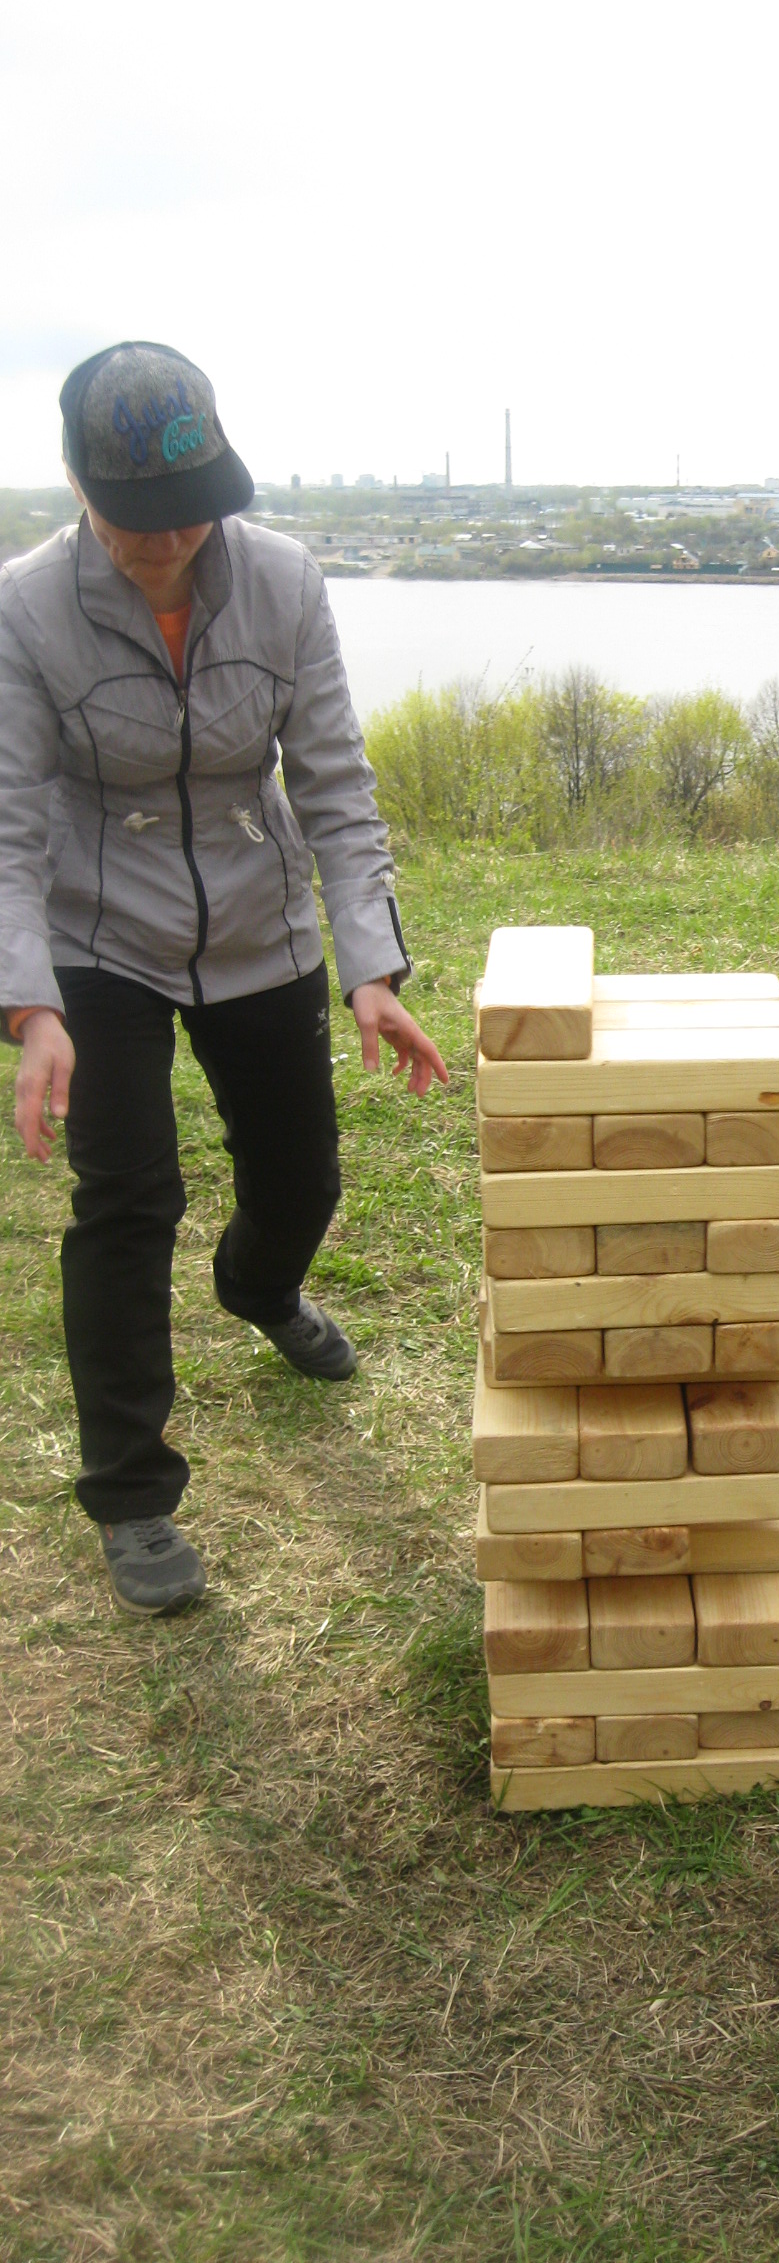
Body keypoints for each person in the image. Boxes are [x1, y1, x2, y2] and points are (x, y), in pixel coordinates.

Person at [1, 342, 448, 1620]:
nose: (167, 540)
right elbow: (9, 825)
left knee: (302, 1178)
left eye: (189, 510)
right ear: (77, 485)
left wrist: (370, 965)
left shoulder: (285, 582)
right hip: (100, 934)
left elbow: (337, 787)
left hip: (259, 920)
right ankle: (132, 1493)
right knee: (128, 1196)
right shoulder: (23, 609)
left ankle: (258, 1287)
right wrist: (31, 1004)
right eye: (135, 518)